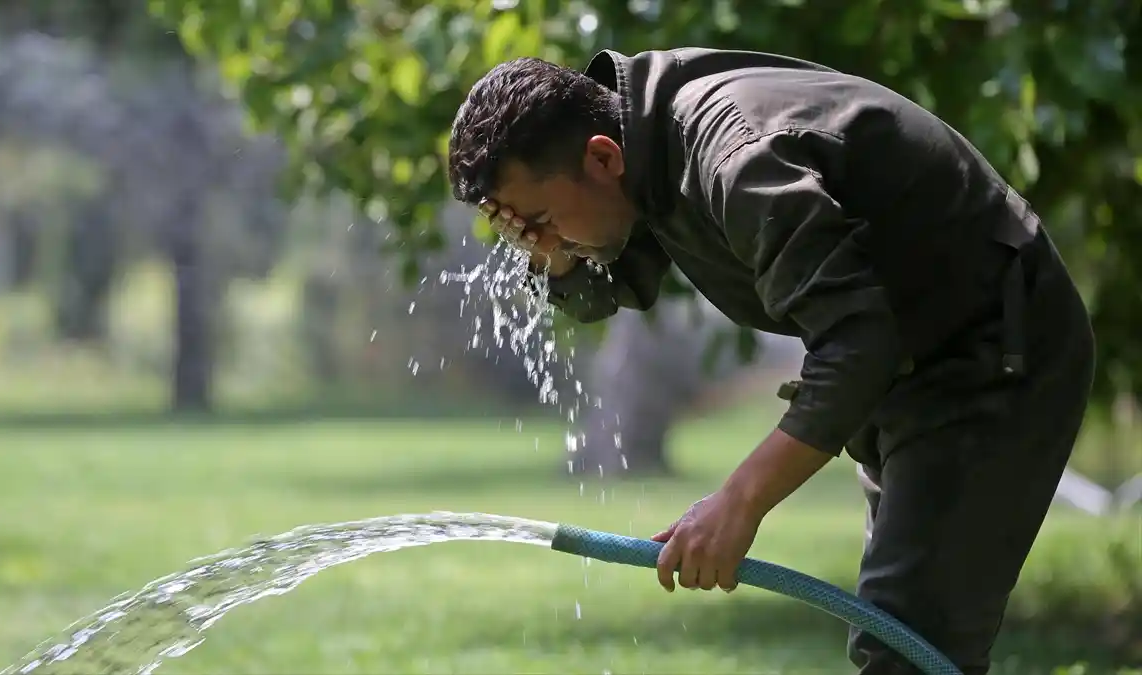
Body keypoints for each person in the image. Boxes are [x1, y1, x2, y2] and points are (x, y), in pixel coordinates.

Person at [446, 48, 1096, 674]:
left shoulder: (735, 156)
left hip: (990, 343)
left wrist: (739, 500)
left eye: (539, 222)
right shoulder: (639, 145)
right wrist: (547, 239)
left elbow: (857, 344)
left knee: (910, 639)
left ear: (601, 158)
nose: (536, 249)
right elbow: (602, 284)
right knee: (903, 630)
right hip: (911, 359)